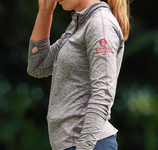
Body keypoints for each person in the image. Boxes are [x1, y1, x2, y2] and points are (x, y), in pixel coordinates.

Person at [27, 0, 130, 150]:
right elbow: (38, 66)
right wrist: (45, 12)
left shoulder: (100, 24)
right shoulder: (79, 23)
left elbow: (103, 95)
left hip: (89, 145)